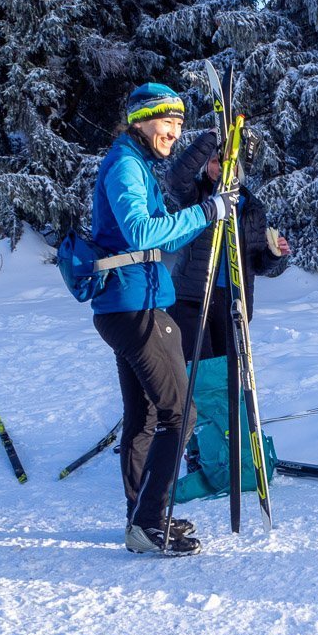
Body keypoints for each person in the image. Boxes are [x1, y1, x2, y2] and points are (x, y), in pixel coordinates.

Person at [89, 83, 240, 557]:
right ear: (141, 121)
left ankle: (143, 516)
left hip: (129, 304)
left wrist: (208, 188)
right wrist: (207, 211)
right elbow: (140, 232)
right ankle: (149, 520)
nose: (173, 132)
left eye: (178, 125)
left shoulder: (136, 163)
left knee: (146, 414)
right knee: (181, 414)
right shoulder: (125, 167)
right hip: (136, 308)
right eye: (167, 123)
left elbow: (162, 234)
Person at [162, 129, 290, 361]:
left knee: (226, 371)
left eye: (226, 162)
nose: (220, 167)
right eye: (214, 161)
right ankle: (191, 400)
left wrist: (273, 254)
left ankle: (227, 400)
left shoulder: (252, 208)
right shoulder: (197, 196)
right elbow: (174, 180)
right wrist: (211, 139)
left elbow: (257, 265)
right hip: (192, 297)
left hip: (232, 302)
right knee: (199, 369)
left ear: (238, 168)